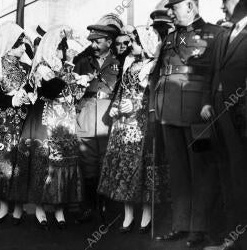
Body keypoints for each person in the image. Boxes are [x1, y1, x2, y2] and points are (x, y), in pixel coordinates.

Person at [149, 0, 223, 248]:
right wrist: (154, 107)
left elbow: (217, 75)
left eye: (174, 7)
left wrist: (210, 104)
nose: (170, 12)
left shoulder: (214, 34)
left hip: (197, 114)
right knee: (178, 172)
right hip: (168, 111)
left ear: (190, 7)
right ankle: (180, 225)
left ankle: (199, 229)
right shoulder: (170, 36)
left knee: (200, 171)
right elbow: (157, 74)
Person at [98, 25, 168, 233]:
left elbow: (156, 97)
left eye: (134, 43)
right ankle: (128, 216)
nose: (130, 46)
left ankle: (146, 216)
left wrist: (137, 105)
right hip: (122, 124)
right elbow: (122, 90)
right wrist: (116, 106)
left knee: (143, 168)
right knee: (123, 167)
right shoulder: (130, 62)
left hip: (141, 124)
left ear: (145, 44)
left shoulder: (154, 65)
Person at [19, 25, 85, 229]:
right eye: (58, 47)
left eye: (62, 48)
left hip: (64, 120)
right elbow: (54, 88)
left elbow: (74, 93)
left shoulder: (64, 67)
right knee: (43, 162)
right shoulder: (42, 67)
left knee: (63, 162)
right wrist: (70, 73)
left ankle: (59, 208)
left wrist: (78, 81)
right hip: (45, 119)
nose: (61, 52)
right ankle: (40, 209)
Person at [201, 0, 247, 250]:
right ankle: (233, 239)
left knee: (241, 177)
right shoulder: (226, 34)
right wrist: (209, 101)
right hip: (222, 116)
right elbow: (215, 71)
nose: (221, 5)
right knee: (228, 177)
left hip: (241, 118)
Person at [0, 21, 30, 225]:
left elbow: (32, 90)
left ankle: (18, 208)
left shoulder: (26, 67)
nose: (23, 48)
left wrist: (29, 96)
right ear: (9, 44)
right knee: (4, 164)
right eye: (19, 44)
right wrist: (11, 100)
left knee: (21, 162)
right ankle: (3, 208)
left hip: (23, 121)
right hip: (3, 122)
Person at [73, 24, 120, 223]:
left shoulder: (119, 61)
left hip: (107, 114)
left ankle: (106, 207)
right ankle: (89, 207)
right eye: (91, 41)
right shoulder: (83, 61)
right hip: (86, 111)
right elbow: (73, 87)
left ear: (109, 42)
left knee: (106, 160)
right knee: (87, 163)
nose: (93, 44)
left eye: (97, 41)